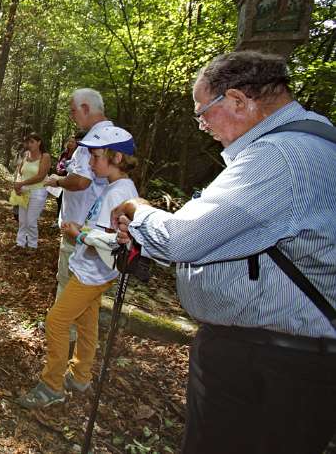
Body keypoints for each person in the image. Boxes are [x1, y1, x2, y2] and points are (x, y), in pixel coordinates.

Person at [112, 51, 336, 454]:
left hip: (266, 364)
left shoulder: (279, 156)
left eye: (203, 113)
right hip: (280, 358)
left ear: (237, 100)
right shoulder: (311, 144)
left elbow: (182, 239)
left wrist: (139, 210)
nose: (203, 126)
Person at [19, 125, 139, 409]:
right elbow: (105, 231)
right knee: (87, 321)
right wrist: (82, 230)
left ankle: (52, 386)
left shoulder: (119, 192)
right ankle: (81, 375)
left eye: (96, 157)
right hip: (94, 271)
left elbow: (111, 242)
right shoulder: (116, 187)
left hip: (92, 273)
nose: (90, 163)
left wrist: (79, 234)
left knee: (56, 321)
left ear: (116, 158)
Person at [45, 89, 112, 300]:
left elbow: (82, 181)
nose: (71, 116)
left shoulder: (94, 141)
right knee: (83, 292)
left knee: (69, 287)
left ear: (85, 108)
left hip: (80, 229)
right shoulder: (110, 134)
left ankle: (61, 322)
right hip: (90, 228)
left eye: (73, 111)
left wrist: (58, 181)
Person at [12, 133, 51, 251]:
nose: (29, 144)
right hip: (24, 191)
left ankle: (32, 245)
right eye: (27, 142)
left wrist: (22, 184)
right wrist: (17, 186)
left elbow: (40, 176)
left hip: (38, 191)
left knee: (31, 221)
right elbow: (20, 172)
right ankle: (20, 243)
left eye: (32, 142)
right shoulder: (25, 155)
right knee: (22, 220)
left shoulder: (45, 156)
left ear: (39, 142)